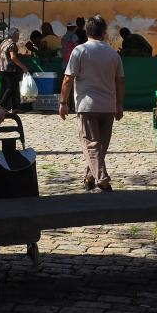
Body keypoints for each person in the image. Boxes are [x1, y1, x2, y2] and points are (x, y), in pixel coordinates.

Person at [59, 16, 124, 192]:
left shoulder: (79, 51)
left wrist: (63, 102)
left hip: (86, 106)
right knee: (100, 146)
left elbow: (68, 79)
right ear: (104, 33)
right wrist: (119, 104)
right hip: (107, 106)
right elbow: (120, 82)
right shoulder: (113, 53)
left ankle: (101, 178)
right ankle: (89, 177)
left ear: (86, 32)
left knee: (91, 145)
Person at [0, 29, 29, 110]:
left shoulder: (4, 42)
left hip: (2, 69)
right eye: (16, 35)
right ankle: (1, 105)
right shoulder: (12, 45)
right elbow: (13, 57)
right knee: (11, 88)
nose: (18, 37)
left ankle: (15, 108)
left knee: (13, 88)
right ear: (12, 35)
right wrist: (23, 67)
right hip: (10, 69)